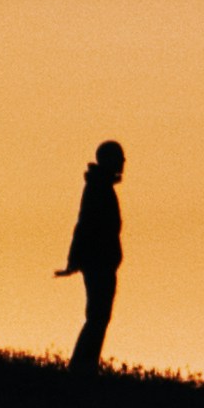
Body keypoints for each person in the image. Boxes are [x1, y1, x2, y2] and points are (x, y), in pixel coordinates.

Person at [60, 140, 126, 370]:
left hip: (102, 263)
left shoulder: (101, 187)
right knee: (97, 317)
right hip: (99, 263)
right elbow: (85, 224)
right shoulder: (98, 189)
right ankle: (81, 367)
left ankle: (85, 366)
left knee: (99, 317)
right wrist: (74, 260)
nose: (123, 162)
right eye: (119, 157)